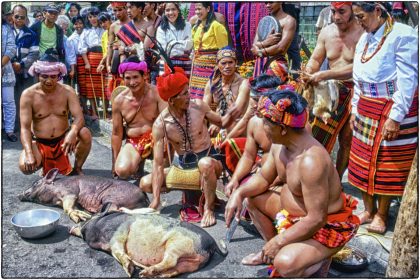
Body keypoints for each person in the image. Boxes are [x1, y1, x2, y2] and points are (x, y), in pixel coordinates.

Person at [224, 89, 360, 277]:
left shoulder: (311, 161)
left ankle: (310, 258)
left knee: (285, 264)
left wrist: (278, 242)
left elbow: (316, 218)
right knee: (251, 198)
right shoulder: (280, 145)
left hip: (324, 226)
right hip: (295, 216)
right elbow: (263, 179)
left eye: (266, 123)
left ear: (283, 128)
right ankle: (273, 252)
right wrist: (239, 193)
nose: (262, 127)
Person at [348, 2, 418, 234]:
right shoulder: (364, 38)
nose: (359, 22)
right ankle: (368, 210)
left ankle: (382, 214)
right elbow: (358, 78)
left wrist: (396, 117)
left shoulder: (403, 35)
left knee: (386, 165)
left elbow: (408, 80)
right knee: (362, 161)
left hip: (391, 108)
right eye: (356, 17)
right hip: (366, 107)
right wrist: (354, 109)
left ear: (377, 10)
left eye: (361, 16)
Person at [142, 66, 225, 228]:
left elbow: (223, 122)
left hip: (211, 162)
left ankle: (208, 208)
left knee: (205, 164)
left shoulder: (199, 106)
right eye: (185, 94)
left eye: (188, 92)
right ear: (172, 100)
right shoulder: (161, 124)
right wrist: (156, 198)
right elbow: (158, 163)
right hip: (184, 168)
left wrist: (235, 119)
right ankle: (196, 193)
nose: (190, 96)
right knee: (145, 183)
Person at [303, 2, 364, 180]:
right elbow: (315, 59)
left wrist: (326, 74)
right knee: (316, 134)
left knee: (347, 139)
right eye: (333, 11)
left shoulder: (363, 32)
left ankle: (337, 178)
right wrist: (308, 73)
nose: (336, 17)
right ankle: (319, 176)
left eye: (342, 12)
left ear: (353, 9)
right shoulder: (327, 32)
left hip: (356, 90)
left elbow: (361, 67)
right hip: (330, 92)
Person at [19, 49, 92, 176]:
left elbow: (79, 117)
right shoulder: (28, 95)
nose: (49, 81)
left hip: (63, 141)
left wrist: (72, 133)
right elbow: (25, 128)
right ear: (37, 75)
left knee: (84, 133)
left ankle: (77, 168)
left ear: (58, 76)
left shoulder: (68, 91)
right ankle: (42, 162)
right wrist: (29, 153)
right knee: (25, 167)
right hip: (40, 141)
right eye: (44, 76)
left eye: (53, 77)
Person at [224, 74, 282, 197]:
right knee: (238, 189)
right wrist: (235, 179)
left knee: (250, 198)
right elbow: (248, 156)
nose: (254, 105)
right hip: (264, 174)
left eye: (257, 100)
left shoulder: (289, 125)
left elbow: (292, 164)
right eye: (253, 100)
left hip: (284, 177)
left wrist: (271, 181)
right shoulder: (255, 122)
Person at [111, 56, 167, 179]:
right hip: (134, 141)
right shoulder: (119, 101)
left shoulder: (157, 93)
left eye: (136, 77)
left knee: (161, 175)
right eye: (128, 78)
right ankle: (137, 163)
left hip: (156, 139)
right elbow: (116, 133)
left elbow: (167, 122)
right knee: (122, 170)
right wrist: (114, 161)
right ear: (123, 79)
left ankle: (159, 172)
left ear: (144, 76)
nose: (132, 82)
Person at [203, 47, 250, 142]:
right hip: (216, 126)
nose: (227, 66)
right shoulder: (212, 84)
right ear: (217, 65)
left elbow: (236, 112)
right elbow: (204, 109)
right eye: (223, 63)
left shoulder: (243, 84)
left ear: (236, 63)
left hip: (237, 127)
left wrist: (219, 125)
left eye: (230, 62)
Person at [189, 3, 228, 99]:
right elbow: (195, 46)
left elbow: (223, 50)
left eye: (200, 9)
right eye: (196, 9)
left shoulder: (216, 26)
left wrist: (219, 67)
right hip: (197, 67)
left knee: (210, 94)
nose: (197, 12)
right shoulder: (196, 27)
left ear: (208, 8)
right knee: (196, 95)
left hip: (211, 66)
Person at [11, 4, 39, 133]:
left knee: (26, 100)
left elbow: (34, 54)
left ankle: (27, 128)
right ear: (12, 16)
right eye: (16, 16)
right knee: (11, 101)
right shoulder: (5, 32)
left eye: (22, 17)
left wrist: (21, 64)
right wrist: (11, 64)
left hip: (25, 73)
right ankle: (13, 128)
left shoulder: (31, 34)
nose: (19, 19)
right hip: (8, 72)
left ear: (26, 18)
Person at [252, 2, 295, 82]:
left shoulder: (289, 21)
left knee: (275, 93)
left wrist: (259, 52)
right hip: (259, 63)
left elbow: (281, 47)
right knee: (257, 92)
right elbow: (254, 45)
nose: (268, 5)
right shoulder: (264, 21)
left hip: (276, 63)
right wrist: (266, 42)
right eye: (265, 2)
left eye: (271, 2)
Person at [78, 7, 105, 121]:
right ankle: (94, 112)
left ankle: (104, 112)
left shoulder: (105, 29)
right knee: (92, 87)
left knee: (104, 86)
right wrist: (87, 63)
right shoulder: (86, 31)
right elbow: (82, 48)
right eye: (90, 17)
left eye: (95, 16)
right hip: (92, 59)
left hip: (104, 58)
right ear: (87, 19)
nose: (93, 19)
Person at [156, 2, 193, 77]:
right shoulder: (161, 29)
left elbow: (190, 44)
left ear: (178, 10)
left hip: (185, 63)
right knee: (165, 86)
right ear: (164, 12)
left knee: (184, 87)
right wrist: (183, 44)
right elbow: (163, 50)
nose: (170, 13)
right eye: (167, 10)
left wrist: (172, 43)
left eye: (173, 9)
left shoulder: (187, 26)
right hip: (166, 62)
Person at [106, 2, 129, 99]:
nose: (117, 13)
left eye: (120, 10)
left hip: (132, 58)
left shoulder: (133, 22)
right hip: (119, 61)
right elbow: (110, 46)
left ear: (125, 8)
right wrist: (108, 64)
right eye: (115, 10)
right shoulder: (113, 26)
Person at [2, 13, 17, 142]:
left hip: (5, 71)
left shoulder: (6, 29)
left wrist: (1, 65)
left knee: (9, 102)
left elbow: (12, 49)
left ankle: (9, 130)